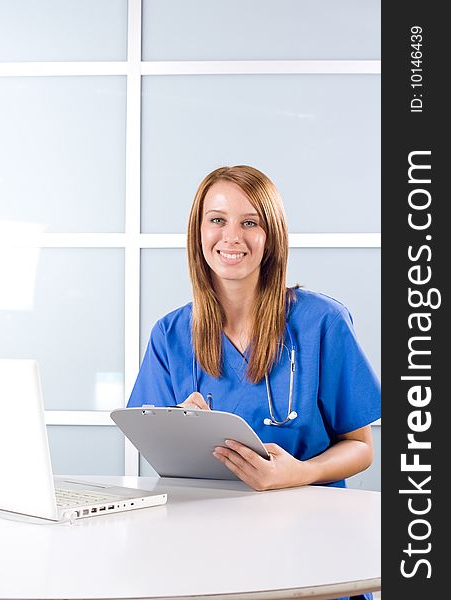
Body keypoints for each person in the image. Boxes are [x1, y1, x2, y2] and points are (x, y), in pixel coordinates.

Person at [129, 165, 380, 600]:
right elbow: (159, 454)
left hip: (314, 553)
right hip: (210, 552)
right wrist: (181, 428)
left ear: (272, 235)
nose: (232, 236)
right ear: (198, 231)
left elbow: (360, 447)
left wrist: (301, 472)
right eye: (217, 219)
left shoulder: (322, 322)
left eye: (250, 222)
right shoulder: (170, 334)